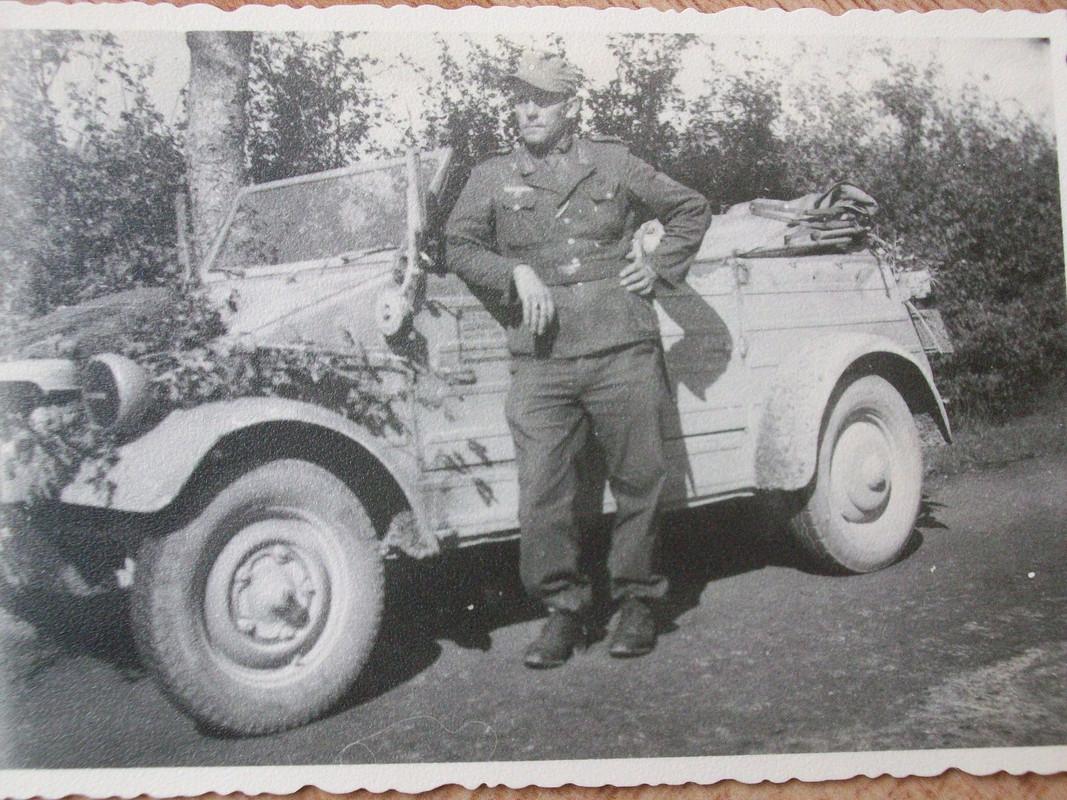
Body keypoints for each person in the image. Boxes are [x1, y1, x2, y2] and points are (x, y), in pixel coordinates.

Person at [446, 52, 712, 668]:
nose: (528, 110)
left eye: (541, 99)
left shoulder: (613, 161)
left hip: (621, 342)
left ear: (572, 108)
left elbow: (689, 208)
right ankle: (564, 611)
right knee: (543, 491)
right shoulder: (491, 175)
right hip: (542, 356)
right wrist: (513, 272)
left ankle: (639, 601)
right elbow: (458, 243)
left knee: (639, 478)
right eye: (519, 99)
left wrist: (659, 266)